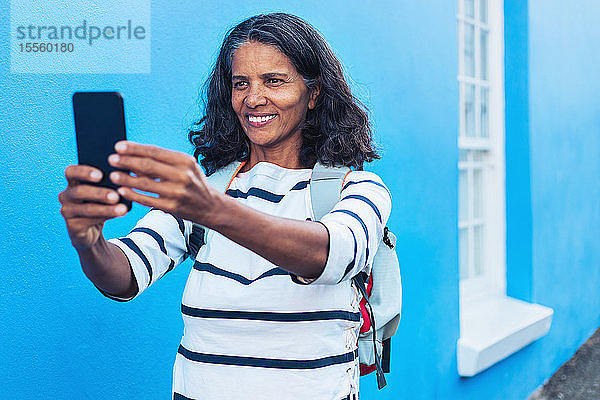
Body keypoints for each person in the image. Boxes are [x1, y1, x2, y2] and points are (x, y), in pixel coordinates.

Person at [59, 13, 391, 400]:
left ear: (313, 93)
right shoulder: (210, 190)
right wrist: (90, 243)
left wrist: (213, 210)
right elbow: (125, 276)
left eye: (274, 81)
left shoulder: (356, 188)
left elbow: (331, 254)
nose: (253, 98)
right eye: (241, 84)